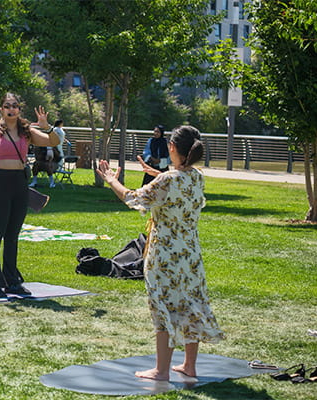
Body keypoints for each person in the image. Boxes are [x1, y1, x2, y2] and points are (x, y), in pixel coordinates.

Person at [96, 125, 224, 381]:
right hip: (190, 255)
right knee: (190, 305)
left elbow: (133, 198)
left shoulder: (168, 180)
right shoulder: (197, 176)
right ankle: (189, 366)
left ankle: (161, 370)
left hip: (164, 255)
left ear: (172, 148)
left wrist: (111, 179)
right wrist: (156, 174)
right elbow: (177, 182)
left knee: (163, 306)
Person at [0, 93, 60, 298]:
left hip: (19, 183)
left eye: (15, 105)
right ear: (1, 109)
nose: (11, 109)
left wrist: (46, 126)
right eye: (7, 106)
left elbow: (53, 141)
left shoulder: (27, 131)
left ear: (19, 109)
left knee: (12, 236)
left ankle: (12, 282)